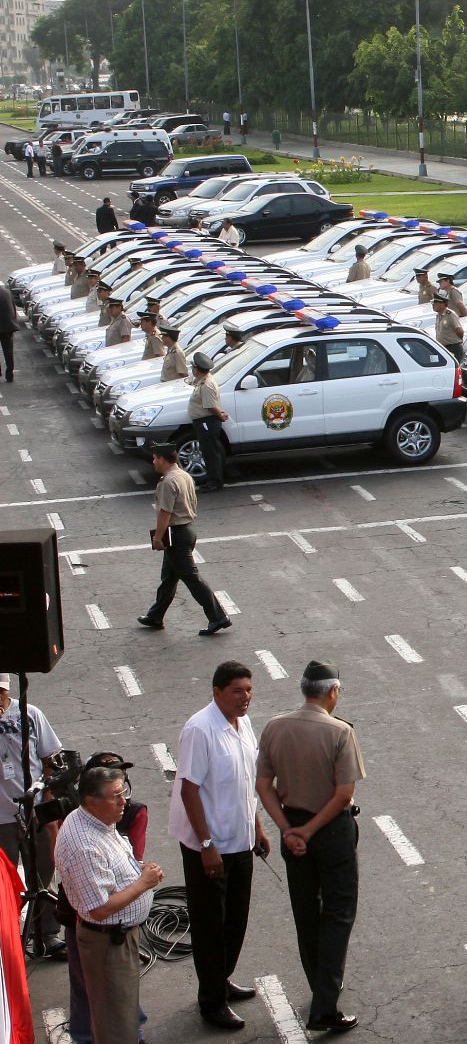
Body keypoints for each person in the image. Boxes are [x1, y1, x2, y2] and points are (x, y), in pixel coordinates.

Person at [254, 661, 365, 1035]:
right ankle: (325, 1004)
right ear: (332, 692)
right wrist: (311, 830)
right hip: (330, 831)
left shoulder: (274, 726)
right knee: (338, 913)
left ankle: (321, 984)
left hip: (293, 827)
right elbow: (344, 794)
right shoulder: (339, 732)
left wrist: (289, 829)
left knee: (306, 912)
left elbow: (264, 785)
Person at [171, 661, 268, 1032]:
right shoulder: (200, 729)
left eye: (248, 690)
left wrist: (257, 827)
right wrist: (207, 844)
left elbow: (247, 781)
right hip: (208, 846)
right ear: (217, 693)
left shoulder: (243, 725)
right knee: (211, 924)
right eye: (237, 691)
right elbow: (189, 789)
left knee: (235, 919)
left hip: (240, 839)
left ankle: (222, 978)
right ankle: (211, 1001)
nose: (246, 697)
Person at [56, 765, 164, 1044]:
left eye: (123, 792)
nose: (124, 801)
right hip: (108, 943)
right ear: (91, 801)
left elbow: (108, 871)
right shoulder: (85, 845)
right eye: (116, 795)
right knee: (114, 1023)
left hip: (117, 937)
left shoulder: (96, 820)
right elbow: (100, 907)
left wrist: (137, 870)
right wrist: (144, 883)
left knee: (121, 1012)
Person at [137, 443, 229, 634]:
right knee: (169, 577)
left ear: (162, 459)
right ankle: (155, 616)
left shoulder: (168, 482)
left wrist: (157, 538)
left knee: (191, 578)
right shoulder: (184, 475)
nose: (153, 462)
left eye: (154, 458)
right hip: (188, 529)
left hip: (176, 534)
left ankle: (218, 617)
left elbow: (165, 513)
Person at [0, 676, 63, 957]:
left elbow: (50, 759)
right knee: (4, 882)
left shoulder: (30, 714)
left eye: (0, 694)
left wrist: (47, 808)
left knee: (44, 874)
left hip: (34, 811)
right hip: (2, 820)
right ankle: (9, 939)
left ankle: (47, 934)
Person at [187, 351, 230, 493]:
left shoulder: (206, 384)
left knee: (210, 453)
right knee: (208, 452)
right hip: (204, 422)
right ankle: (213, 478)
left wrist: (220, 416)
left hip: (207, 422)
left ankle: (215, 481)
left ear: (197, 369)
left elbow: (211, 407)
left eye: (193, 367)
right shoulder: (202, 381)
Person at [432, 293, 465, 361]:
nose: (433, 305)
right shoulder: (438, 315)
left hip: (453, 347)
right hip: (443, 347)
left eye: (435, 303)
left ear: (442, 304)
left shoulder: (450, 315)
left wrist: (457, 342)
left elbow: (459, 331)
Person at [0, 280, 14, 383]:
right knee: (8, 351)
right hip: (8, 327)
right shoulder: (7, 293)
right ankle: (10, 373)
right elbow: (13, 309)